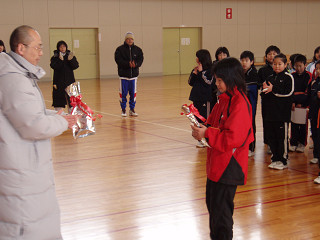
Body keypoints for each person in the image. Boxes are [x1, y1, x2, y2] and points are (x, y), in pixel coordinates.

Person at [0, 25, 77, 239]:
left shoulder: (18, 74)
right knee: (26, 226)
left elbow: (29, 111)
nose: (41, 52)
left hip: (25, 166)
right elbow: (33, 125)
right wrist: (65, 123)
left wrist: (55, 115)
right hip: (19, 170)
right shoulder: (13, 79)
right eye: (38, 47)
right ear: (21, 48)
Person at [191, 57, 253, 240]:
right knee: (213, 206)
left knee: (222, 213)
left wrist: (207, 133)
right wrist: (198, 124)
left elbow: (233, 138)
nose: (217, 84)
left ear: (232, 78)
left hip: (229, 165)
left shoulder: (240, 103)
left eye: (220, 80)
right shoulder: (223, 100)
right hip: (217, 163)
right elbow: (211, 124)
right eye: (216, 80)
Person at [261, 53, 294, 170]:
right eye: (275, 64)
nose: (277, 66)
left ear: (285, 65)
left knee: (281, 138)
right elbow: (265, 95)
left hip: (282, 114)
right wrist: (264, 89)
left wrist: (273, 89)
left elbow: (288, 93)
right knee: (272, 137)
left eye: (279, 64)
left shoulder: (288, 77)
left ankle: (283, 160)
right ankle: (275, 158)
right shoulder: (270, 78)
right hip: (271, 114)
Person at [188, 49, 215, 148]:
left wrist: (201, 72)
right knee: (196, 118)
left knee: (205, 118)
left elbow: (209, 82)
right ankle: (200, 139)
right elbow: (190, 82)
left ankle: (207, 138)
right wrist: (194, 73)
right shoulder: (196, 69)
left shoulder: (210, 70)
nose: (196, 59)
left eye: (197, 56)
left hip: (205, 99)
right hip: (196, 97)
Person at [115, 32, 144, 117]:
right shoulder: (119, 49)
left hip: (133, 77)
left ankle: (132, 109)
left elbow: (141, 59)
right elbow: (118, 60)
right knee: (123, 94)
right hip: (123, 76)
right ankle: (123, 110)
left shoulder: (138, 50)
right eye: (128, 39)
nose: (130, 40)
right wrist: (128, 64)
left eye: (131, 39)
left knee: (133, 94)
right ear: (125, 40)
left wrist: (136, 64)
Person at [258, 45, 281, 153]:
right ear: (266, 57)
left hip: (278, 101)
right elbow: (258, 83)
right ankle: (268, 143)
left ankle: (278, 142)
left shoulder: (282, 71)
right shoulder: (263, 70)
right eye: (269, 54)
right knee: (266, 121)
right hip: (266, 100)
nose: (272, 56)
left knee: (277, 122)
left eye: (274, 54)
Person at [289, 54, 311, 153]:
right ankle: (293, 143)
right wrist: (293, 102)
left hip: (303, 105)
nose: (298, 68)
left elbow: (308, 92)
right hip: (294, 105)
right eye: (296, 66)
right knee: (293, 125)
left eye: (300, 66)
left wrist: (302, 104)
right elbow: (290, 91)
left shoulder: (309, 76)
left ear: (305, 65)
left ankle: (302, 143)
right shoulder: (292, 76)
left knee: (303, 125)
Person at [50, 40, 79, 112]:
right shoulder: (55, 57)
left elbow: (76, 66)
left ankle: (72, 116)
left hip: (69, 81)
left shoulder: (70, 55)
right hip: (58, 82)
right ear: (58, 48)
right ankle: (59, 117)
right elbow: (54, 66)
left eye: (64, 46)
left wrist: (71, 60)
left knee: (71, 101)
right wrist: (60, 60)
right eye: (61, 47)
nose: (62, 48)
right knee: (59, 101)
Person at [240, 50, 259, 157]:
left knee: (250, 125)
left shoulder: (253, 73)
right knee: (242, 125)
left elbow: (251, 88)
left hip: (250, 104)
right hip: (241, 105)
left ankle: (251, 147)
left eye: (246, 60)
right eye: (242, 60)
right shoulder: (240, 72)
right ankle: (243, 145)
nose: (244, 63)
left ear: (251, 62)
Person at [308, 60, 320, 166]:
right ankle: (316, 155)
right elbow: (310, 98)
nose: (318, 71)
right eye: (317, 69)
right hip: (314, 113)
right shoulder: (313, 83)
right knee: (315, 135)